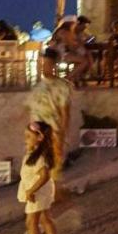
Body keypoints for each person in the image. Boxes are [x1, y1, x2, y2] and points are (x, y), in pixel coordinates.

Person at [13, 122, 62, 234]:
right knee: (45, 218)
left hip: (38, 193)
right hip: (40, 192)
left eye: (28, 136)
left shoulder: (40, 157)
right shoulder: (33, 154)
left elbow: (44, 176)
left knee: (31, 222)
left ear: (39, 138)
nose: (25, 139)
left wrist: (31, 191)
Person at [25, 48, 72, 183]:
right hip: (35, 132)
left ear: (54, 65)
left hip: (52, 130)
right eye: (42, 64)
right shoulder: (38, 85)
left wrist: (63, 133)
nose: (43, 67)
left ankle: (55, 194)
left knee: (53, 165)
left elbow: (65, 112)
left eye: (47, 64)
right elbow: (31, 109)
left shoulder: (62, 86)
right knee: (38, 165)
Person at [51, 17, 91, 85]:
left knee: (82, 59)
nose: (75, 25)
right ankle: (67, 78)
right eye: (74, 24)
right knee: (84, 61)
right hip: (61, 55)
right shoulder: (66, 32)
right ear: (70, 24)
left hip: (56, 54)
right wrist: (78, 45)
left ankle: (74, 78)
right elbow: (71, 46)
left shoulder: (59, 31)